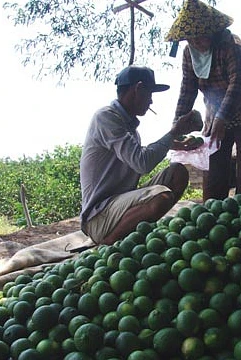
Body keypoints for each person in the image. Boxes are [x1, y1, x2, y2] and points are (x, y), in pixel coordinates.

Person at [165, 0, 241, 202]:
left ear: (213, 31)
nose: (197, 42)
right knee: (215, 171)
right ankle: (213, 214)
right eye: (191, 38)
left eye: (201, 37)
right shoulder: (189, 54)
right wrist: (177, 126)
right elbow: (187, 89)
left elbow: (237, 83)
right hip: (216, 112)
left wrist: (222, 118)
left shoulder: (232, 45)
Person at [80, 65, 202, 245]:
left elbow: (136, 152)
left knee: (178, 173)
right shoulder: (105, 117)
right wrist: (174, 133)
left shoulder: (129, 129)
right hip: (100, 216)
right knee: (161, 197)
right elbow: (141, 163)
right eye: (149, 94)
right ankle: (108, 244)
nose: (151, 102)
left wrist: (178, 144)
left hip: (121, 205)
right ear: (138, 89)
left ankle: (136, 231)